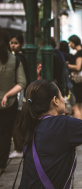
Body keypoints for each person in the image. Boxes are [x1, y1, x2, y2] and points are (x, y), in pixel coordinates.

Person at [0, 29, 26, 174]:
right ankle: (1, 164)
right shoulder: (15, 60)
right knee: (4, 134)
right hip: (9, 103)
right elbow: (22, 82)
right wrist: (7, 95)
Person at [8, 34, 28, 159]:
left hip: (19, 93)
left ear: (21, 44)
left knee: (17, 121)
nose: (13, 45)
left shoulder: (18, 58)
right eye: (11, 42)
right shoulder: (20, 57)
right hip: (21, 92)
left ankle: (19, 147)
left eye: (15, 43)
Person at [67, 35, 82, 120]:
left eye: (70, 43)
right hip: (81, 83)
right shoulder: (81, 52)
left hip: (77, 82)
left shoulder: (79, 53)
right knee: (80, 105)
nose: (69, 45)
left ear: (74, 42)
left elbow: (78, 67)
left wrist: (68, 65)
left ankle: (79, 126)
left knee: (75, 106)